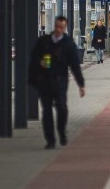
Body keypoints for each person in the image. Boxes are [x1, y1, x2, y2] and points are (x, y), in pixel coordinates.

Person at [28, 16, 85, 149]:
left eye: (61, 27)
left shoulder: (68, 44)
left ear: (65, 28)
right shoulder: (44, 42)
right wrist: (39, 63)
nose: (58, 30)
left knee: (62, 108)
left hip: (60, 82)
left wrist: (81, 84)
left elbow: (75, 65)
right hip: (44, 82)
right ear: (54, 26)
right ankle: (50, 140)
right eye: (57, 27)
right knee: (46, 111)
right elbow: (33, 57)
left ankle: (61, 132)